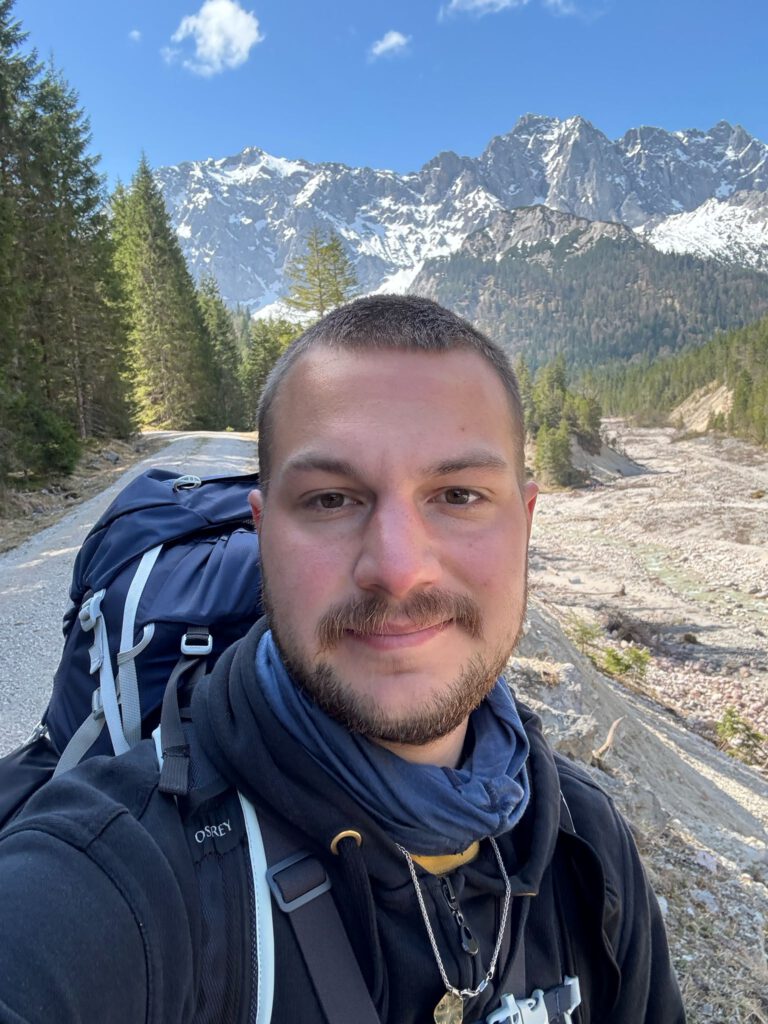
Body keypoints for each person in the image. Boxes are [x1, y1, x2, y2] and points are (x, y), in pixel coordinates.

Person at [0, 295, 684, 1023]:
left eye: (458, 495)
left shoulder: (586, 844)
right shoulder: (113, 879)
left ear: (525, 522)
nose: (398, 569)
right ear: (263, 534)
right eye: (331, 499)